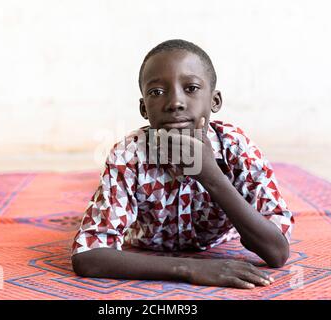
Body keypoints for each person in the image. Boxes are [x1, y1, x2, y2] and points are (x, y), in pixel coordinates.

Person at [71, 39, 294, 289]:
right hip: (145, 241)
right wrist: (190, 268)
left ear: (215, 101)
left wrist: (210, 175)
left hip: (217, 238)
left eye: (191, 88)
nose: (175, 102)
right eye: (157, 92)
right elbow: (87, 256)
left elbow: (277, 251)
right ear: (144, 108)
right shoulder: (129, 154)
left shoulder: (237, 148)